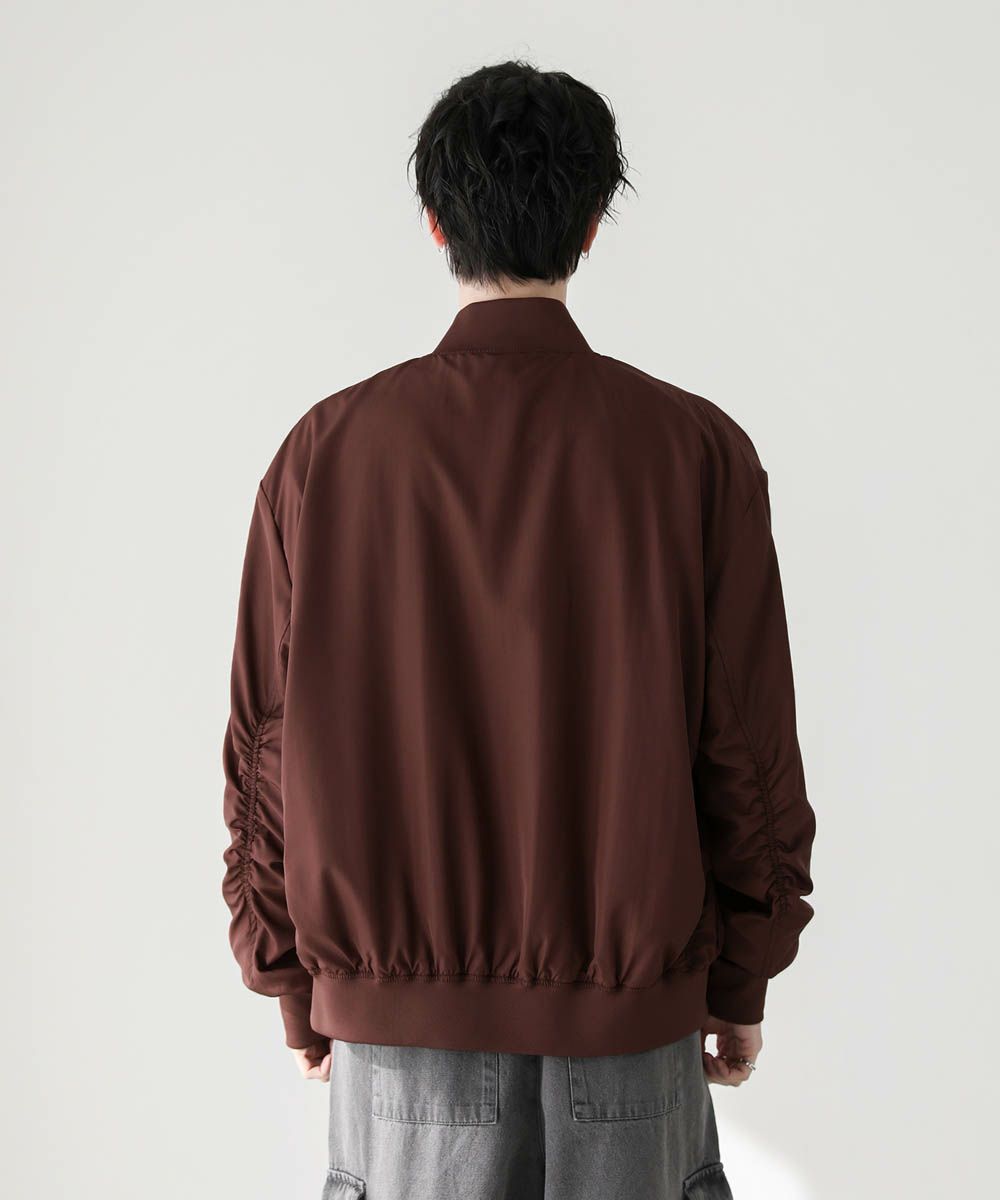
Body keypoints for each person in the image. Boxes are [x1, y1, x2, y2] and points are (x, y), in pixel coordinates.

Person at [221, 59, 816, 1199]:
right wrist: (742, 976)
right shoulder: (693, 451)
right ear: (591, 227)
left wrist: (293, 979)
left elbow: (265, 749)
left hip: (400, 1049)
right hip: (632, 1034)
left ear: (436, 223)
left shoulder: (324, 455)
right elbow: (746, 751)